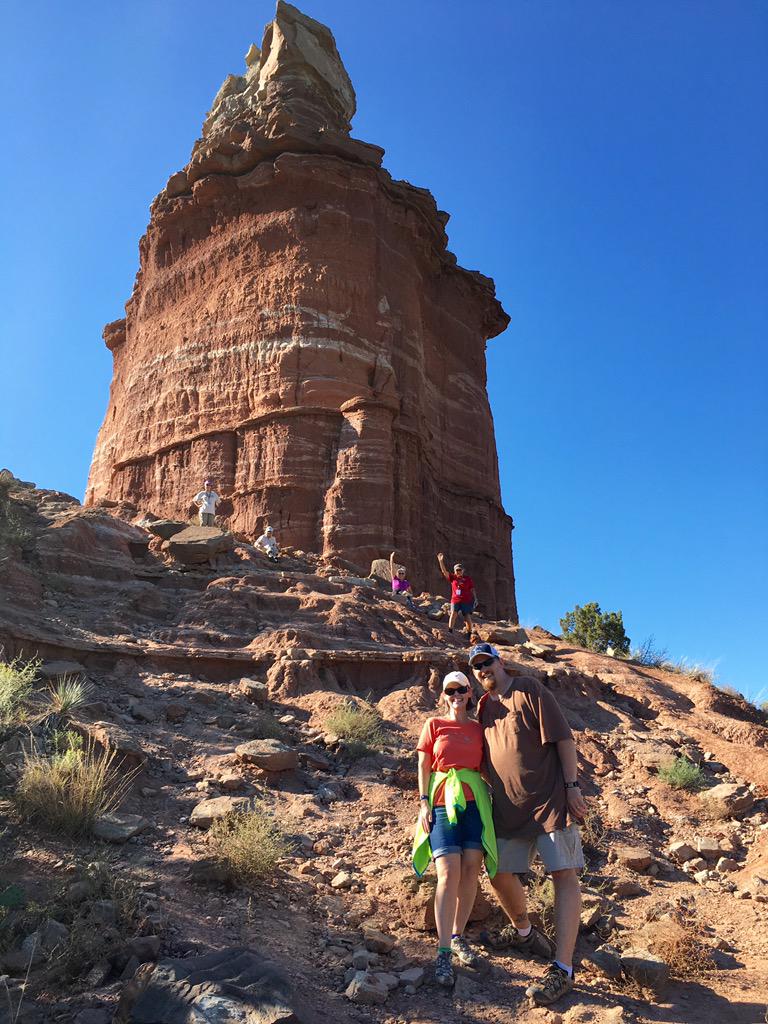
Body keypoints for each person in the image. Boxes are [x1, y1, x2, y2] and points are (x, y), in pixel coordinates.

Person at [468, 642, 588, 1006]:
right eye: (477, 667)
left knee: (563, 874)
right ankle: (524, 931)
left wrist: (571, 787)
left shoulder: (529, 689)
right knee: (498, 873)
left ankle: (563, 969)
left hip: (550, 800)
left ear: (500, 662)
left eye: (487, 662)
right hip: (508, 810)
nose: (483, 670)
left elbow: (564, 739)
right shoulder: (484, 707)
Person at [412, 671, 498, 989]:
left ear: (469, 692)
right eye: (451, 690)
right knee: (448, 872)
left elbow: (488, 768)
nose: (456, 694)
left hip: (475, 805)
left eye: (462, 689)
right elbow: (423, 765)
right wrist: (423, 803)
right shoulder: (434, 725)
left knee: (471, 869)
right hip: (440, 802)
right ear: (444, 694)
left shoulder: (478, 729)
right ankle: (444, 952)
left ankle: (458, 936)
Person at [436, 552, 476, 637]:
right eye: (457, 570)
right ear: (454, 571)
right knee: (453, 614)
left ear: (463, 570)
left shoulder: (467, 579)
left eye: (460, 570)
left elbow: (472, 589)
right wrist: (441, 561)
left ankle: (469, 632)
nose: (458, 571)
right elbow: (444, 571)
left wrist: (475, 598)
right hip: (455, 599)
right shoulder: (453, 578)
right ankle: (450, 630)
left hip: (466, 600)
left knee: (467, 616)